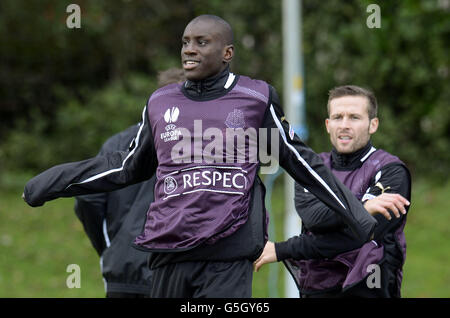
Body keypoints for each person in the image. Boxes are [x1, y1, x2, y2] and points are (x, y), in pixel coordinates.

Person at [23, 15, 378, 298]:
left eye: (201, 42)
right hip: (168, 258)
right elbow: (127, 166)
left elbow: (298, 161)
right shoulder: (160, 102)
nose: (188, 50)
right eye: (185, 42)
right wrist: (53, 182)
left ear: (227, 53)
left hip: (227, 259)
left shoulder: (255, 98)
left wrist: (355, 214)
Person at [254, 85, 411, 298]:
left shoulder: (391, 170)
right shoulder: (310, 168)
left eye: (354, 117)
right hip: (317, 287)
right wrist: (363, 209)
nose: (344, 125)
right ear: (328, 125)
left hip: (369, 287)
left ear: (373, 124)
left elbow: (357, 237)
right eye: (338, 117)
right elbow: (315, 220)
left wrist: (283, 250)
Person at [74, 68, 185, 298]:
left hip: (123, 272)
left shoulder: (117, 143)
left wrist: (111, 249)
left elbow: (87, 197)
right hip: (175, 274)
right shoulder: (200, 145)